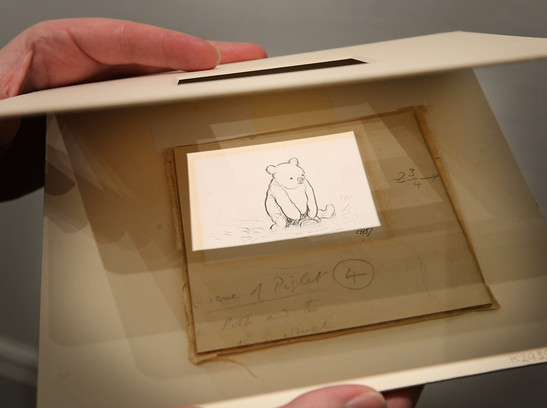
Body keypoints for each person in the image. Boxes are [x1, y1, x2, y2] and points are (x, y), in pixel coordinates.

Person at [0, 18, 423, 408]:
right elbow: (276, 203)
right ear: (277, 174)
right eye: (289, 175)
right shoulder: (274, 185)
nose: (295, 178)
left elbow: (306, 193)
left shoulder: (300, 177)